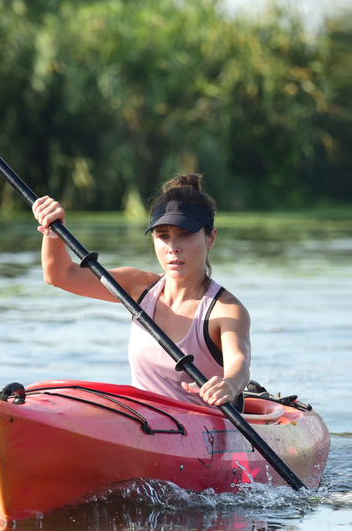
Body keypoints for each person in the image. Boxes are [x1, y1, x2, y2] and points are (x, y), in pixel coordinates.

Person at [31, 173, 250, 410]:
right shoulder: (139, 286)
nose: (173, 248)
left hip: (200, 429)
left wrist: (229, 384)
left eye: (185, 235)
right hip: (142, 420)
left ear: (211, 239)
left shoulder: (227, 310)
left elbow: (239, 363)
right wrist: (54, 230)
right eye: (163, 236)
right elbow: (60, 275)